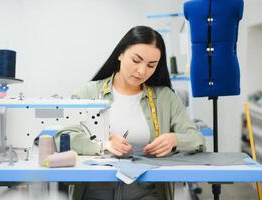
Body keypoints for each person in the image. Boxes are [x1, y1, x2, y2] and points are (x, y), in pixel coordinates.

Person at [66, 25, 205, 200]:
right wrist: (103, 144)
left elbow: (197, 140)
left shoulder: (165, 98)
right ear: (120, 54)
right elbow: (63, 137)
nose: (142, 71)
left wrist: (175, 140)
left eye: (151, 65)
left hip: (147, 193)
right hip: (94, 191)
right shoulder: (88, 93)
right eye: (136, 60)